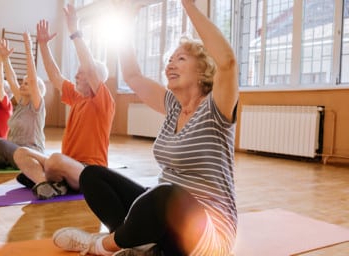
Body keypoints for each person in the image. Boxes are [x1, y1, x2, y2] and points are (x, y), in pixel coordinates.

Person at [52, 0, 239, 255]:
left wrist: (189, 6)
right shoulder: (173, 106)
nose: (170, 64)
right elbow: (132, 75)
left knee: (164, 196)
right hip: (166, 223)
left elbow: (227, 62)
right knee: (92, 176)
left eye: (180, 59)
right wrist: (125, 22)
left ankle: (101, 246)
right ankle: (140, 248)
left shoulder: (216, 109)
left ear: (203, 70)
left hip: (207, 234)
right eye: (169, 60)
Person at [12, 4, 115, 200]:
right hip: (67, 163)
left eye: (81, 72)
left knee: (54, 160)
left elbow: (90, 67)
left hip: (90, 172)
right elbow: (55, 75)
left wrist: (75, 32)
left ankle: (48, 180)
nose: (76, 74)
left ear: (95, 79)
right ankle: (45, 182)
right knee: (22, 153)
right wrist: (42, 45)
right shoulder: (76, 97)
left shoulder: (103, 101)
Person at [0, 32, 46, 171]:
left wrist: (28, 49)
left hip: (29, 153)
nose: (23, 85)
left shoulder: (36, 106)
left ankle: (6, 159)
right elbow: (12, 79)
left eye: (27, 83)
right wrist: (5, 58)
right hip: (11, 150)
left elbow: (32, 78)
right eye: (23, 82)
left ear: (36, 90)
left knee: (0, 144)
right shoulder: (20, 102)